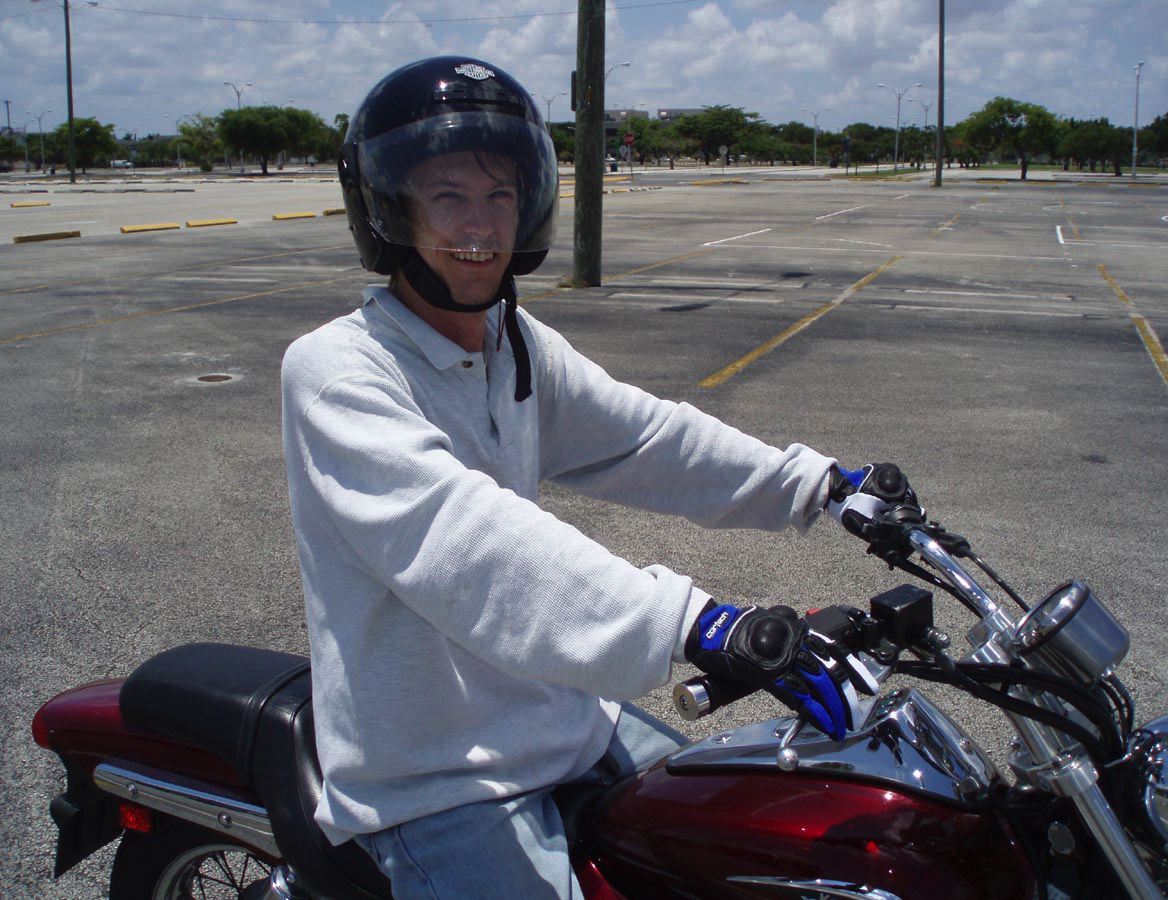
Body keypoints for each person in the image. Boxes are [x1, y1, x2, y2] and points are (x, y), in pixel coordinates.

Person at [281, 56, 915, 899]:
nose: (481, 224)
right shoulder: (337, 371)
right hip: (436, 776)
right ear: (389, 209)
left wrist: (821, 486)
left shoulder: (512, 343)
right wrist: (696, 622)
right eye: (448, 196)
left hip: (565, 726)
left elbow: (647, 437)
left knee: (747, 840)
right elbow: (464, 540)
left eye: (500, 194)